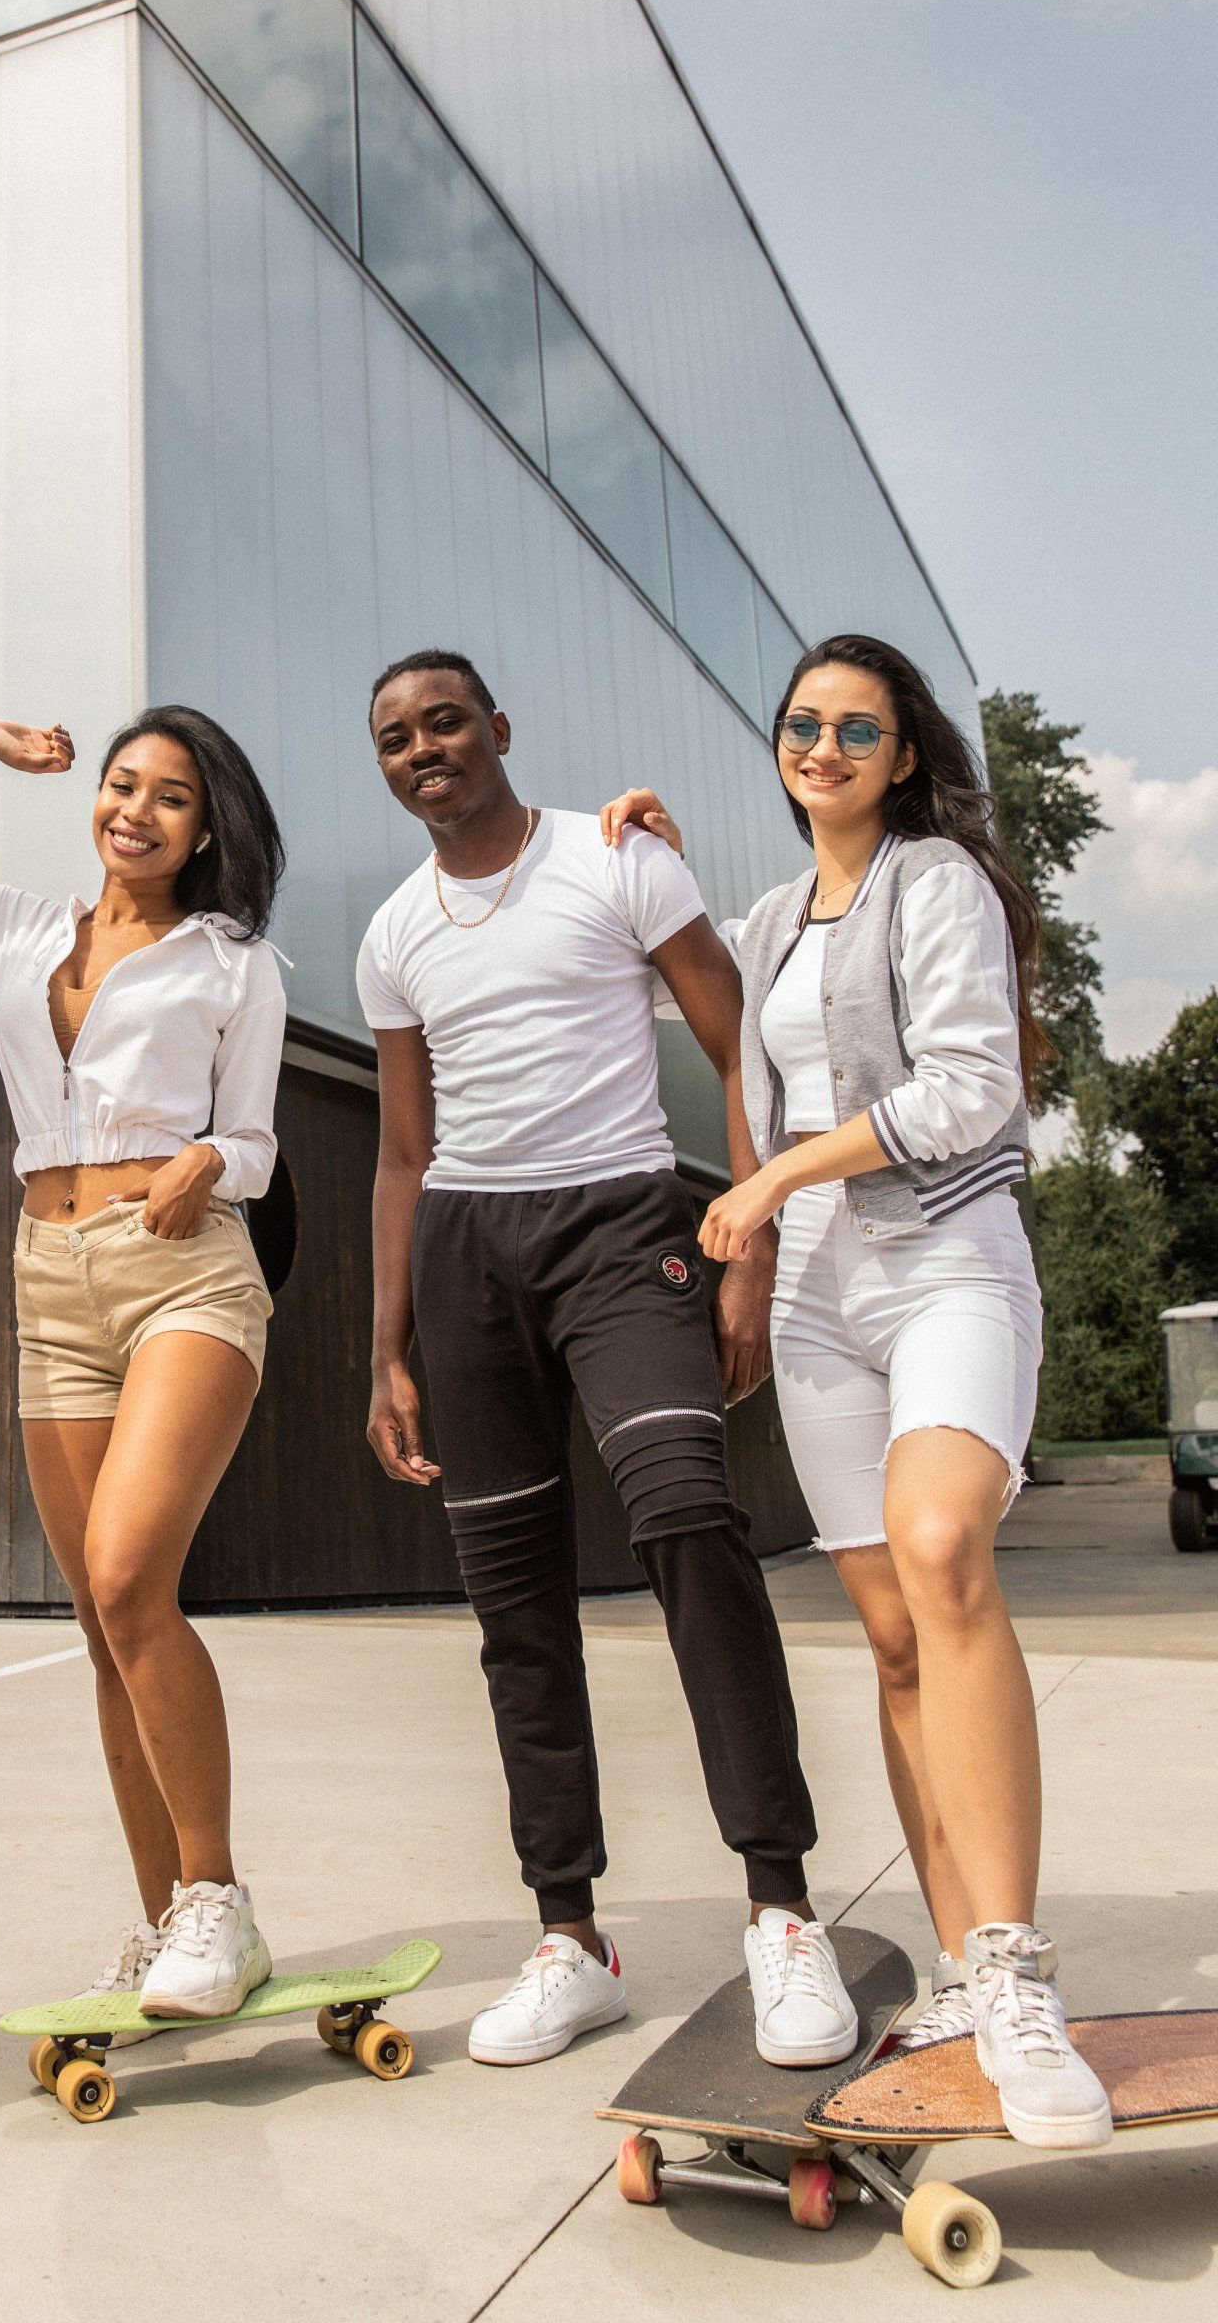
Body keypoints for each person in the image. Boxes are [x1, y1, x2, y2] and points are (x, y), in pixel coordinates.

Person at [602, 632, 1112, 2148]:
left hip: (948, 1257)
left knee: (947, 1549)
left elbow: (973, 1089)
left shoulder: (939, 882)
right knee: (892, 1637)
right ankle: (959, 1972)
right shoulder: (767, 920)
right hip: (821, 1300)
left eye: (858, 728)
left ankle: (1018, 1972)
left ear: (903, 754)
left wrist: (774, 1185)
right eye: (803, 724)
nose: (824, 745)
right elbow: (750, 1028)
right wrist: (649, 857)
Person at [358, 649, 854, 2071]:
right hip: (465, 1252)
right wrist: (384, 1346)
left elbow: (735, 1038)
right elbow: (402, 1151)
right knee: (513, 1605)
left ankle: (781, 1908)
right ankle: (570, 1936)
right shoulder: (393, 933)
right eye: (395, 737)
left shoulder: (617, 860)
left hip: (624, 1227)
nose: (423, 749)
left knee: (688, 1520)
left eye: (445, 722)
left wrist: (752, 1238)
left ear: (499, 730)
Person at [0, 708, 288, 2019]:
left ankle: (219, 1901)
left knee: (129, 1570)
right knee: (105, 1628)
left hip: (188, 1274)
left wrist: (214, 1156)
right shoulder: (14, 930)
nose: (135, 811)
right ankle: (166, 1927)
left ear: (206, 830)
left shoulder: (236, 961)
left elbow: (253, 1136)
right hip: (50, 1281)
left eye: (170, 798)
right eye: (120, 786)